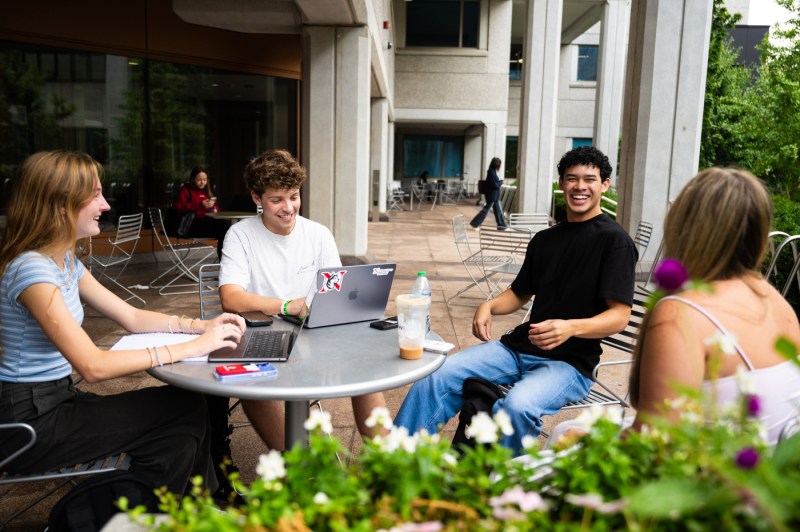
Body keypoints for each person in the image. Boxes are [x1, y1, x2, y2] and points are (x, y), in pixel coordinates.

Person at [0, 151, 246, 495]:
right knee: (181, 414)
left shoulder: (64, 261)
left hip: (56, 401)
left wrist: (198, 326)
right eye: (95, 195)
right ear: (60, 205)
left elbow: (130, 315)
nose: (105, 204)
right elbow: (92, 365)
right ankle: (185, 507)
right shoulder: (33, 271)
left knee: (182, 416)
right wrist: (190, 349)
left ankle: (184, 508)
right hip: (29, 423)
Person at [394, 146, 637, 452]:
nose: (580, 186)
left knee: (517, 407)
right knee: (436, 377)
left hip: (570, 364)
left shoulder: (615, 242)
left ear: (604, 185)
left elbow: (619, 316)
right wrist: (488, 306)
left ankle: (500, 488)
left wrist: (570, 328)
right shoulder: (546, 239)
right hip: (517, 349)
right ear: (561, 183)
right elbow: (519, 293)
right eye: (572, 179)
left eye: (590, 179)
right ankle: (392, 464)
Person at [219, 149, 386, 450]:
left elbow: (337, 287)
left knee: (367, 370)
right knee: (250, 385)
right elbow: (230, 297)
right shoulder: (241, 235)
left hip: (315, 335)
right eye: (276, 199)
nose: (288, 208)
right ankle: (295, 464)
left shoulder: (318, 234)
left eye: (294, 196)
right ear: (257, 198)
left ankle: (389, 462)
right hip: (264, 338)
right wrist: (285, 306)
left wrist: (354, 305)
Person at [627, 168, 800, 443]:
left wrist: (585, 444)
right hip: (766, 474)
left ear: (684, 227)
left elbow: (656, 445)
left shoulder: (680, 313)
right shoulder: (775, 301)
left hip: (711, 479)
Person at [173, 166, 230, 259]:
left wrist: (214, 209)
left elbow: (217, 210)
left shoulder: (207, 191)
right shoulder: (186, 190)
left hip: (205, 223)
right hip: (191, 225)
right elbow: (179, 207)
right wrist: (200, 205)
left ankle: (225, 260)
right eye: (199, 179)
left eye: (204, 179)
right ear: (193, 179)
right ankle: (224, 262)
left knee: (226, 229)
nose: (202, 182)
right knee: (224, 229)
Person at [470, 157, 507, 230]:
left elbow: (493, 183)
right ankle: (475, 224)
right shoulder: (491, 172)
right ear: (496, 164)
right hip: (492, 195)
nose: (499, 165)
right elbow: (494, 185)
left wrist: (499, 182)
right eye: (499, 164)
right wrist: (500, 182)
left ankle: (501, 226)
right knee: (485, 210)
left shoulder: (492, 171)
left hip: (494, 195)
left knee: (498, 211)